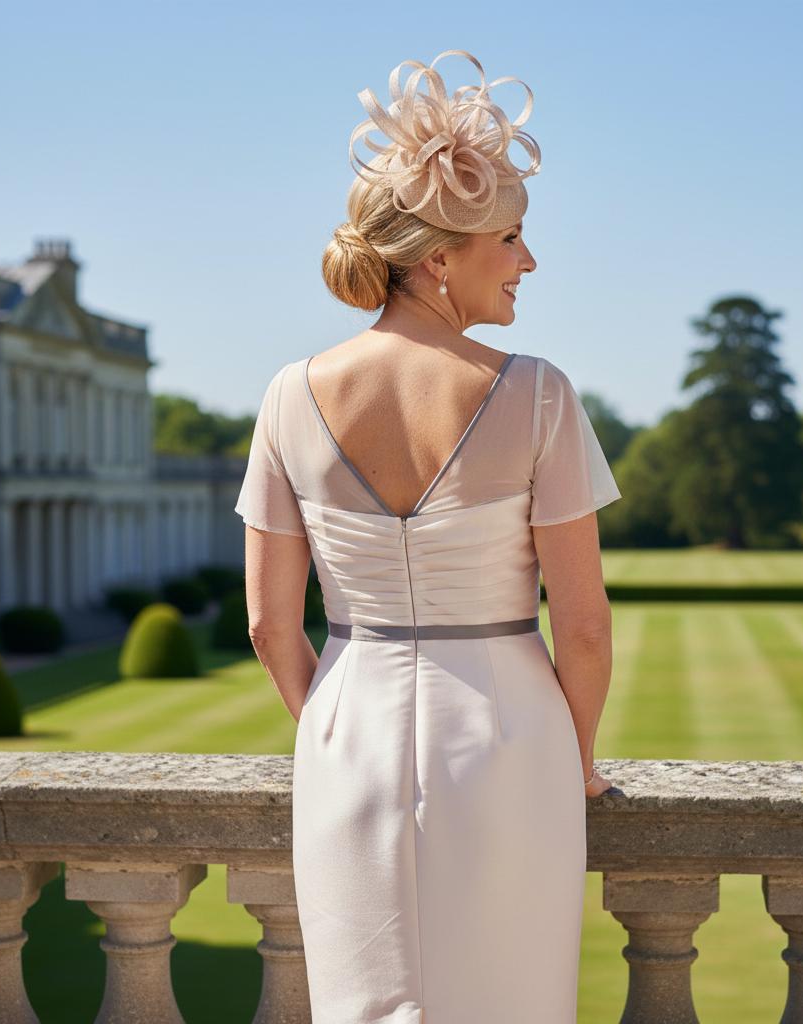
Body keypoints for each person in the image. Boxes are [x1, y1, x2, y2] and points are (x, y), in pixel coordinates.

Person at [235, 48, 623, 1024]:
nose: (528, 260)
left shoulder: (288, 394)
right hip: (510, 742)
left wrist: (325, 733)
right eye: (511, 236)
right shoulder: (537, 393)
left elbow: (271, 629)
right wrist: (571, 763)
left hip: (347, 731)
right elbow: (579, 626)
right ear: (440, 256)